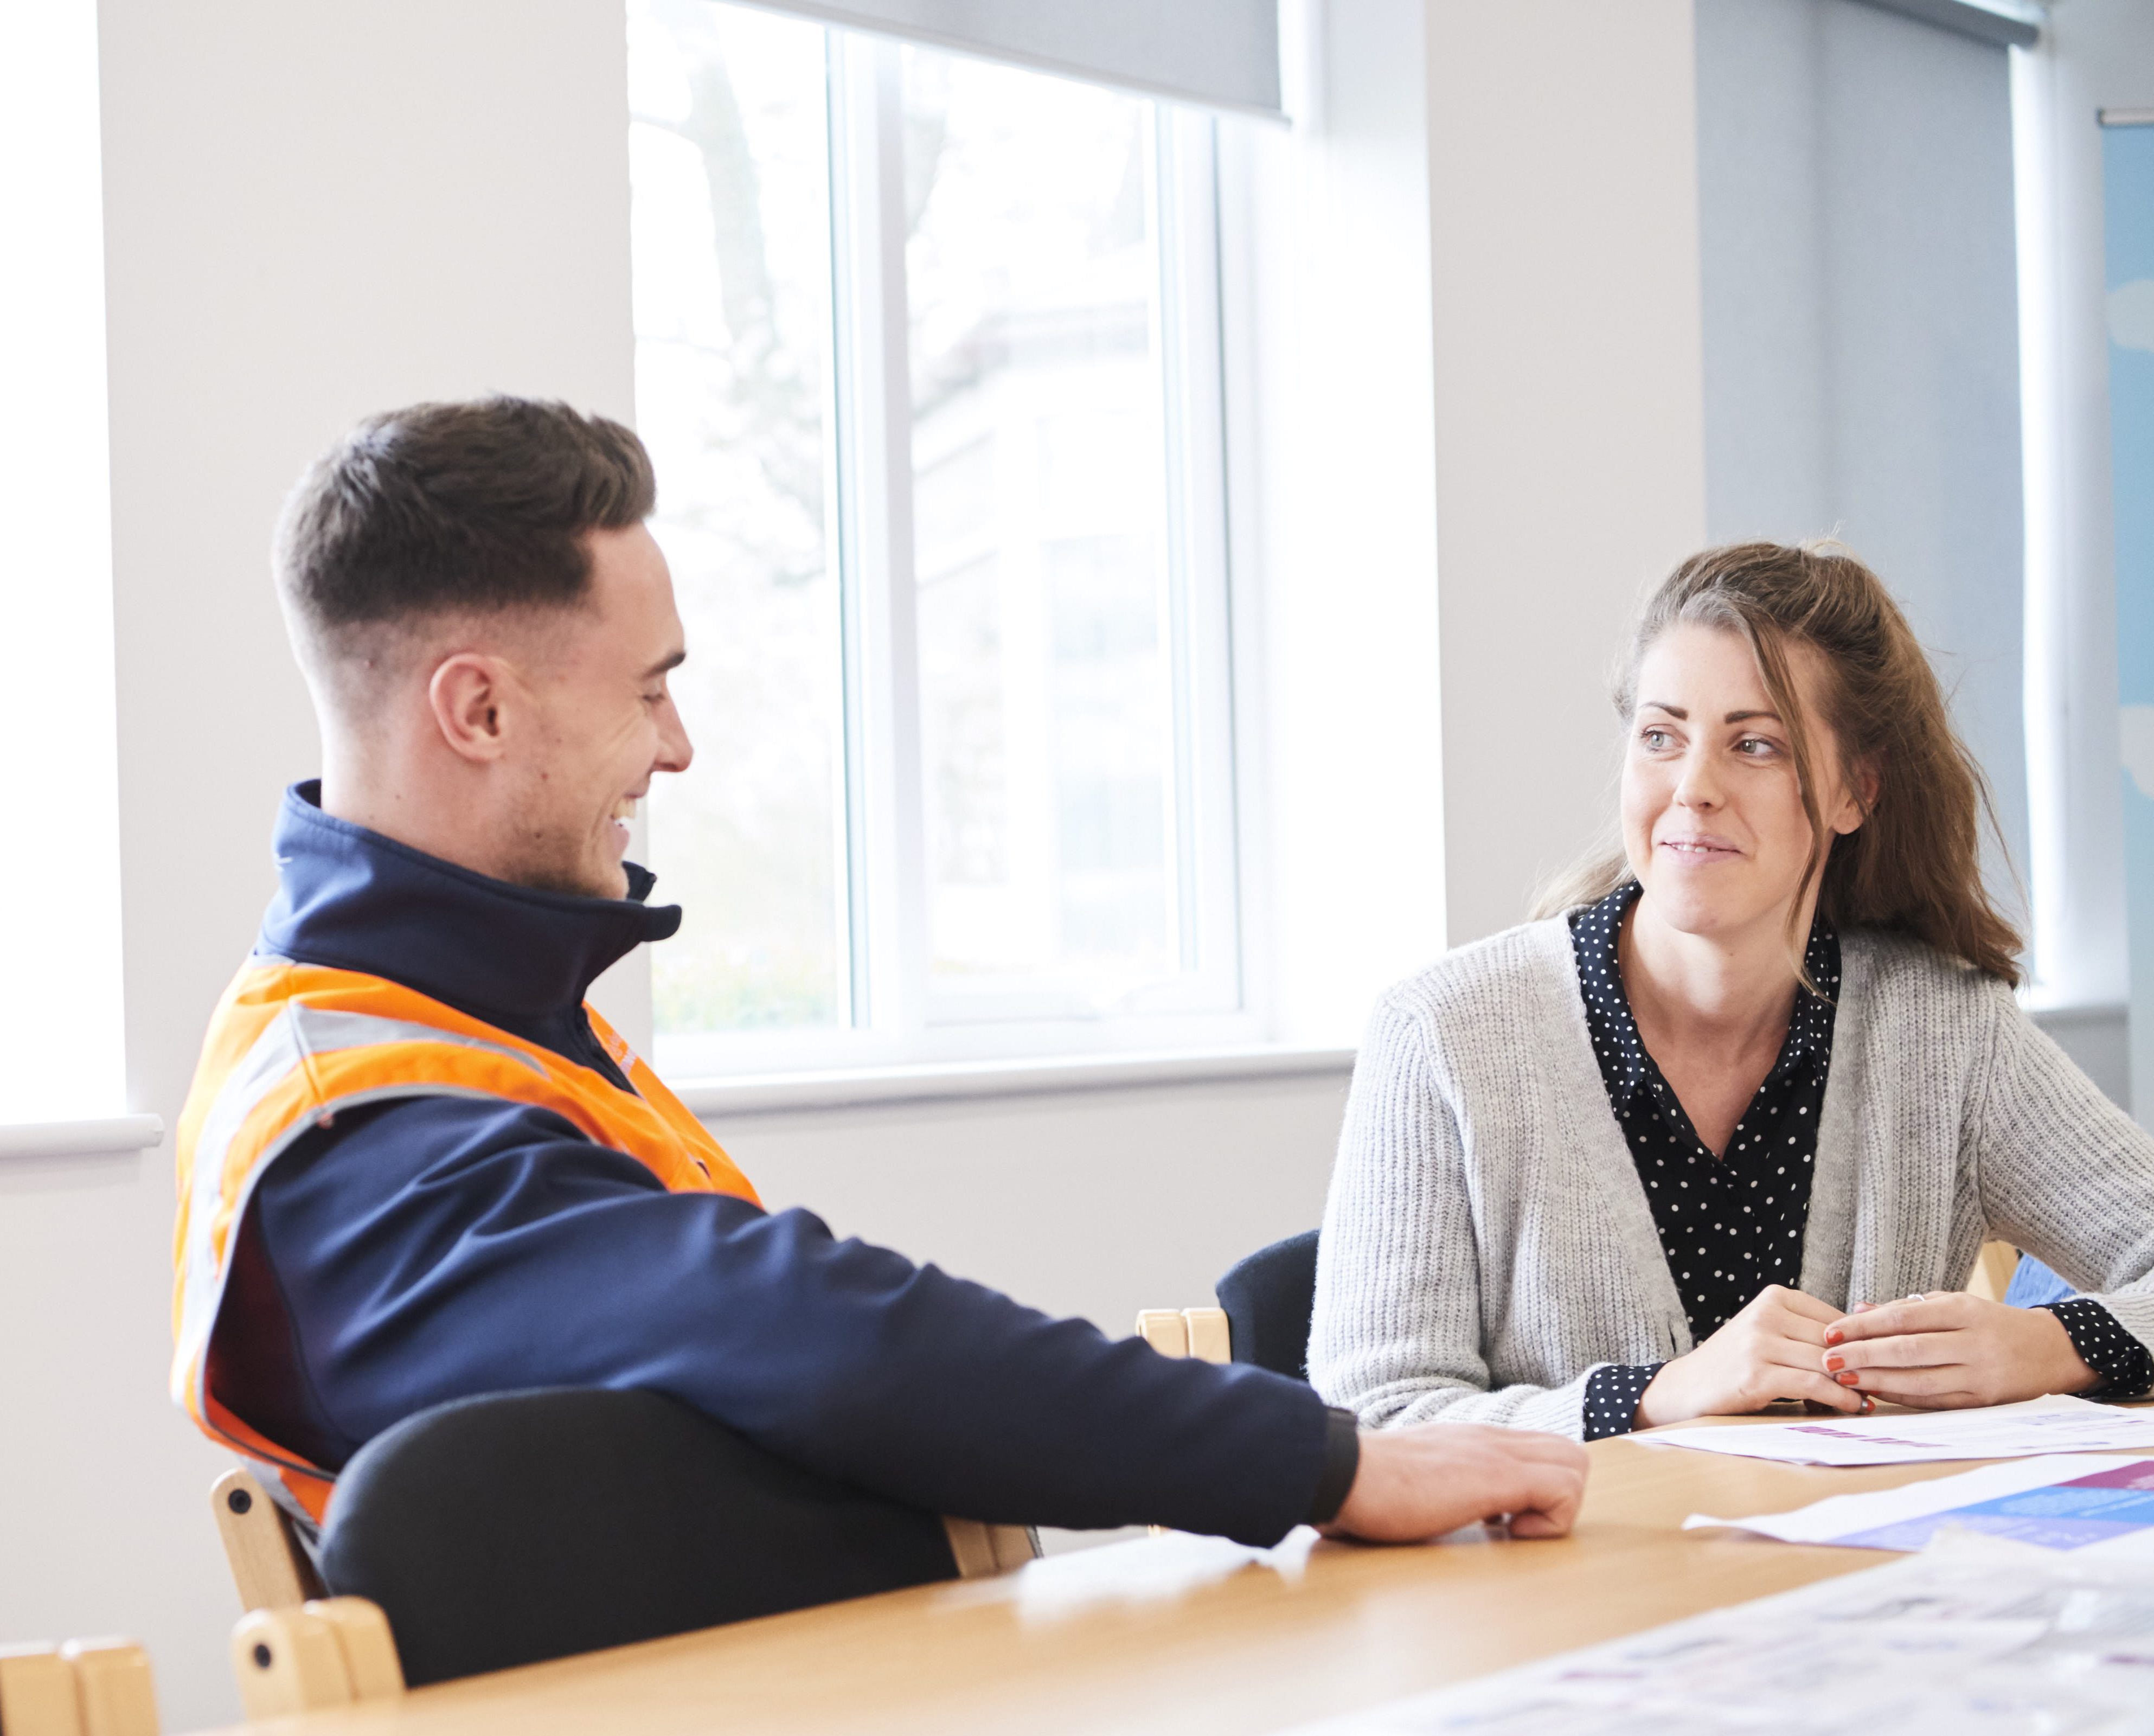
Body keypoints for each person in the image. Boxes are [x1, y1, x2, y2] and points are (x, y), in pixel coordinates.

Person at [170, 395, 1586, 1557]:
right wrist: (1326, 1460)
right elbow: (813, 1332)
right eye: (649, 686)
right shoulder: (366, 1138)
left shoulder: (469, 1022)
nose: (676, 750)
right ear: (477, 707)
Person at [1309, 541, 2154, 1442]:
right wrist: (1652, 1393)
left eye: (1754, 744)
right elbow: (1373, 1421)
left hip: (1863, 1573)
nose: (1694, 788)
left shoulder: (1945, 1029)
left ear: (1854, 791)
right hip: (1576, 1581)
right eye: (1661, 736)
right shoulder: (1442, 1032)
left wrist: (2047, 1343)